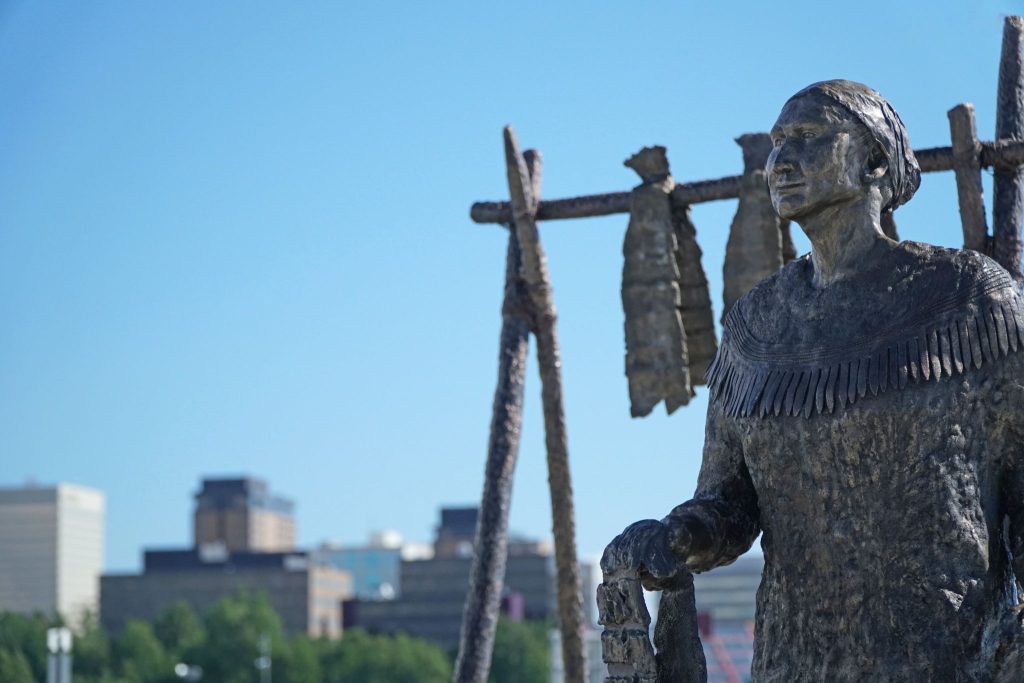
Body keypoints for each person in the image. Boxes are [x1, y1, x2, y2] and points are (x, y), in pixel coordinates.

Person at [602, 80, 1024, 682]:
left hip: (946, 662)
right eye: (776, 144)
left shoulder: (970, 301)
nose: (781, 162)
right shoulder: (755, 326)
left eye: (805, 138)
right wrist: (675, 538)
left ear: (873, 160)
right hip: (792, 664)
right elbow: (727, 503)